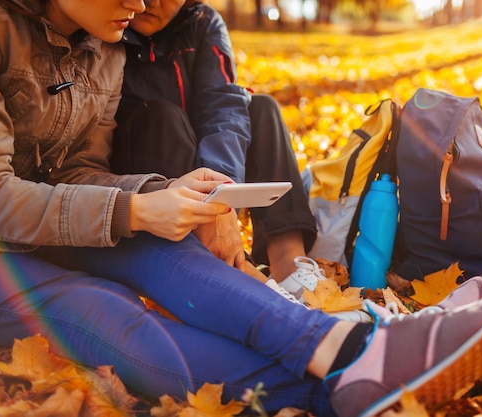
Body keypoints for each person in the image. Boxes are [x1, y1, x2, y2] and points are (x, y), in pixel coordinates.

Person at [0, 0, 482, 416]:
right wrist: (135, 208)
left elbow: (81, 170)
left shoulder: (101, 44)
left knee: (159, 241)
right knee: (100, 305)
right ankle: (355, 363)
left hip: (51, 224)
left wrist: (157, 195)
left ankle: (355, 352)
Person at [109, 0, 325, 301]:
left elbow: (222, 108)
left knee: (261, 108)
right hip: (142, 183)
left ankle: (290, 264)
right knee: (161, 116)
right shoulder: (106, 21)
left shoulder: (202, 21)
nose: (150, 2)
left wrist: (220, 196)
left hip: (199, 165)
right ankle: (231, 270)